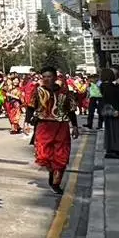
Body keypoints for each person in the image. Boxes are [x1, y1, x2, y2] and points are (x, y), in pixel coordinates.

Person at [33, 65, 76, 195]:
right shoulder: (38, 91)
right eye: (44, 77)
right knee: (44, 155)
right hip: (44, 126)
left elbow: (71, 110)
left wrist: (75, 126)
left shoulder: (65, 92)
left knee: (62, 156)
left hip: (61, 125)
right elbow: (31, 107)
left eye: (49, 76)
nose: (46, 79)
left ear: (55, 77)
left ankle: (56, 183)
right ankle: (52, 171)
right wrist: (27, 123)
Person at [99, 68, 119, 159]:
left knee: (115, 131)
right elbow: (113, 98)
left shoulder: (107, 85)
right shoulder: (108, 86)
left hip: (114, 110)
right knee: (116, 131)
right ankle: (113, 150)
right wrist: (114, 110)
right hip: (115, 110)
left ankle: (116, 150)